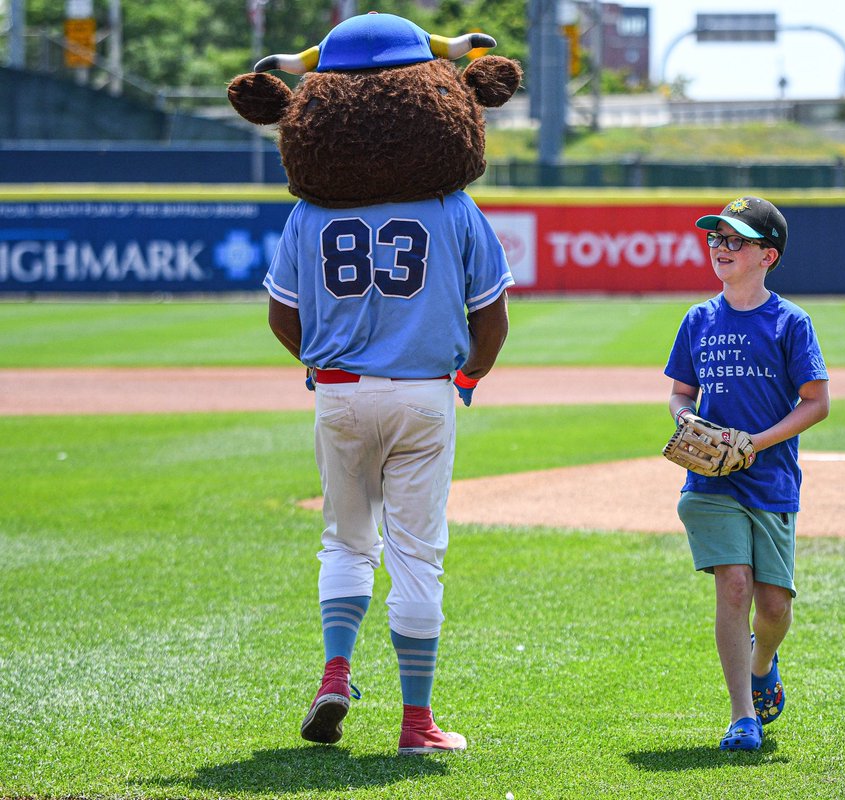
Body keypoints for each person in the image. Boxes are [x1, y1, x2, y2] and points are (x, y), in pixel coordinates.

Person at [236, 12, 522, 755]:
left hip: (339, 392)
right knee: (417, 554)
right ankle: (416, 725)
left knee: (345, 542)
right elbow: (490, 318)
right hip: (424, 392)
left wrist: (318, 363)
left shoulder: (309, 213)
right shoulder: (452, 207)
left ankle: (336, 673)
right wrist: (469, 374)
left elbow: (280, 315)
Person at [664, 195, 830, 751]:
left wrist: (752, 444)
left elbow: (816, 402)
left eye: (736, 241)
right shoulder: (698, 320)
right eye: (716, 239)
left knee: (774, 607)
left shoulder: (790, 322)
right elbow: (680, 393)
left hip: (771, 479)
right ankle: (742, 718)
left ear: (768, 256)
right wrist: (691, 424)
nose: (721, 248)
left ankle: (764, 661)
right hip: (711, 482)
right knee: (732, 586)